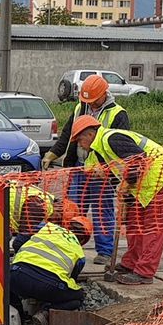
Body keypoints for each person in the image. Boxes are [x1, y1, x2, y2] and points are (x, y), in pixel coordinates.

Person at [68, 116, 163, 286]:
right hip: (144, 182)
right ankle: (131, 263)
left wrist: (127, 184)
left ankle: (145, 272)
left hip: (162, 174)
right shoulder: (100, 150)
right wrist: (124, 192)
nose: (79, 144)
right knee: (134, 222)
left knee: (152, 226)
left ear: (90, 134)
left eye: (79, 140)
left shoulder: (111, 138)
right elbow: (119, 172)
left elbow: (138, 159)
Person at [43, 74, 131, 266]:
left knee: (102, 211)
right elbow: (68, 135)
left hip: (102, 173)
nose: (90, 104)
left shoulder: (118, 114)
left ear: (103, 94)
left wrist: (107, 169)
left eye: (92, 100)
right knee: (72, 210)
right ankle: (71, 246)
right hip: (79, 169)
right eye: (86, 100)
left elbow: (122, 147)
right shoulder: (80, 108)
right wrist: (53, 153)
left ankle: (105, 251)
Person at [9, 199, 93, 314]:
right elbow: (70, 280)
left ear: (68, 225)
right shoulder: (79, 252)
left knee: (8, 285)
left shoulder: (49, 228)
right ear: (84, 239)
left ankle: (20, 316)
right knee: (78, 297)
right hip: (48, 286)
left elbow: (19, 241)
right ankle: (45, 313)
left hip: (17, 274)